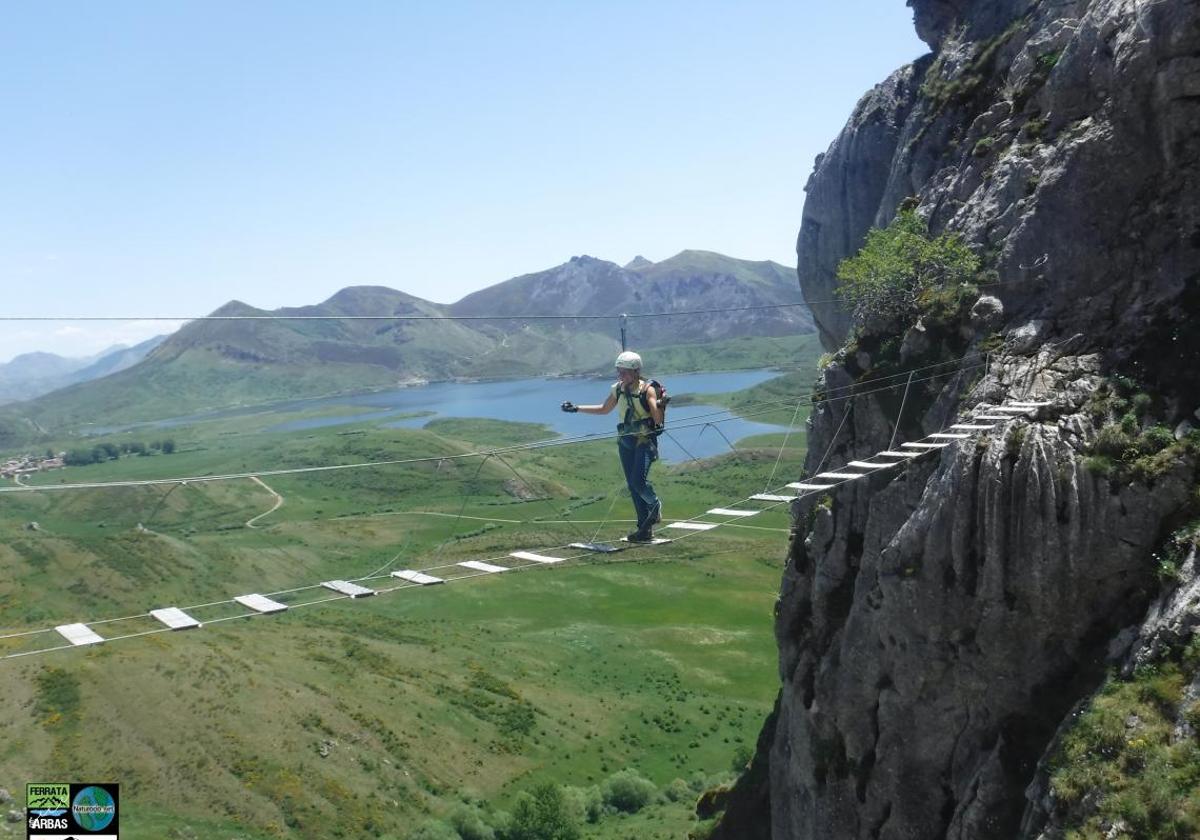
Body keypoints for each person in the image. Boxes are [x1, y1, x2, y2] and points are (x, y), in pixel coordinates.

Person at [561, 350, 663, 542]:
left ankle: (655, 506)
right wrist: (576, 408)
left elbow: (657, 419)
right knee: (633, 486)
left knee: (638, 482)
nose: (621, 375)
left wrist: (659, 404)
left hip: (645, 440)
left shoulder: (647, 390)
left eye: (624, 372)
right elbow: (604, 409)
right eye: (619, 371)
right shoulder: (618, 389)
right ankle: (644, 529)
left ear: (636, 371)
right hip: (625, 441)